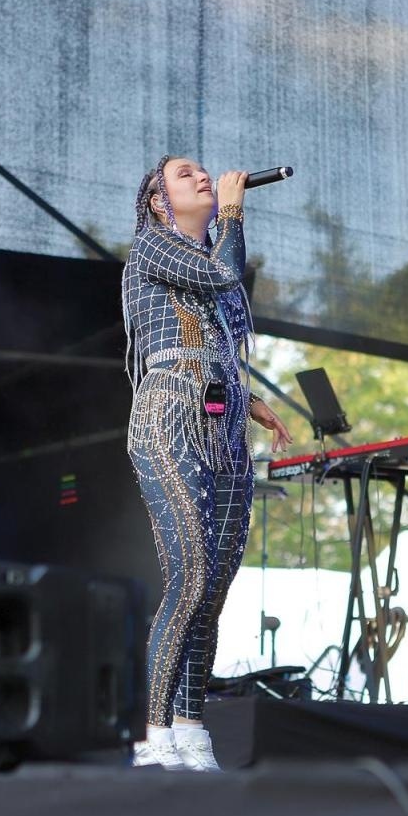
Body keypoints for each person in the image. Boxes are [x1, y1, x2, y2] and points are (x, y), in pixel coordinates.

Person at [122, 154, 292, 771]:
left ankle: (193, 729)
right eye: (184, 174)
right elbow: (224, 275)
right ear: (156, 201)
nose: (202, 178)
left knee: (214, 589)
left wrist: (254, 405)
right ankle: (152, 733)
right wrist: (234, 211)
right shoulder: (151, 246)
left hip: (222, 429)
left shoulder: (205, 263)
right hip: (168, 420)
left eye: (203, 173)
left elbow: (214, 343)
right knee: (189, 572)